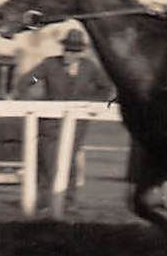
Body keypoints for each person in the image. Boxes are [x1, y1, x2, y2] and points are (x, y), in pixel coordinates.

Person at [14, 28, 113, 200]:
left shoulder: (89, 68)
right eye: (67, 49)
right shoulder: (50, 65)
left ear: (81, 52)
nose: (70, 54)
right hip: (50, 124)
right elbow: (30, 79)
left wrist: (88, 103)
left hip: (77, 125)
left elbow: (105, 88)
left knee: (70, 161)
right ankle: (43, 200)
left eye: (75, 51)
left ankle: (69, 200)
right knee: (47, 161)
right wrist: (31, 99)